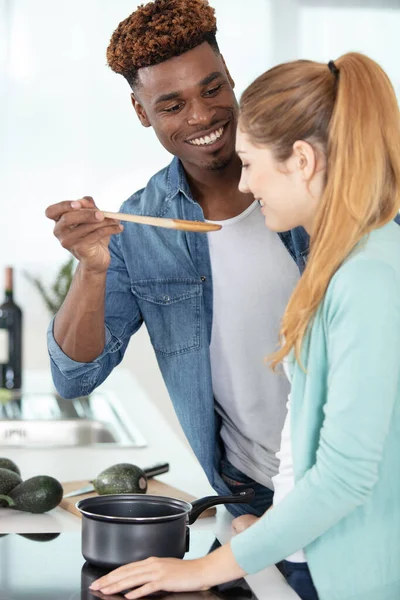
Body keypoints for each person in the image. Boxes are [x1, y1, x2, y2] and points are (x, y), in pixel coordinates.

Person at [88, 52, 400, 600]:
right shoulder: (348, 264)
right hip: (317, 552)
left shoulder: (367, 277)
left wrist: (203, 569)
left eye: (251, 162)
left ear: (301, 160)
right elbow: (315, 448)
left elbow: (347, 475)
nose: (248, 187)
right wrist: (273, 535)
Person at [45, 0, 307, 517]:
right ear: (142, 113)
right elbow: (74, 379)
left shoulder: (315, 178)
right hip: (254, 494)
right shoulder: (138, 230)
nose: (202, 116)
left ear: (231, 77)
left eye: (212, 89)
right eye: (172, 105)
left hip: (360, 474)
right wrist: (93, 269)